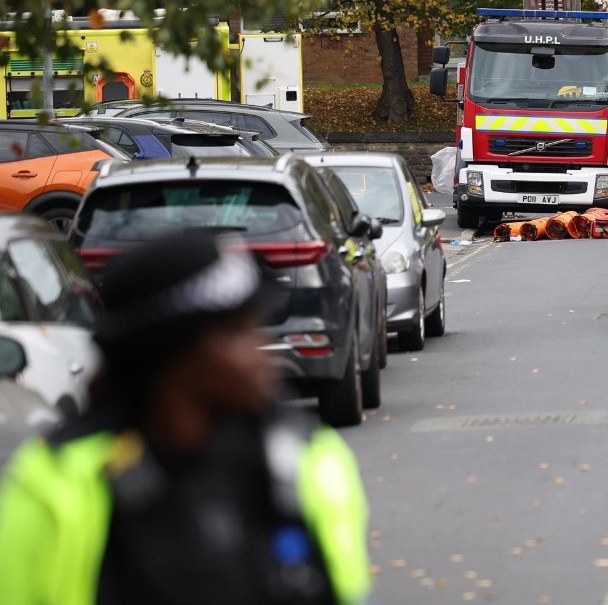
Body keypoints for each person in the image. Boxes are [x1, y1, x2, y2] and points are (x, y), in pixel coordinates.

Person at [0, 231, 371, 605]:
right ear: (173, 352)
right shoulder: (53, 492)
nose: (260, 351)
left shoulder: (310, 460)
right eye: (238, 331)